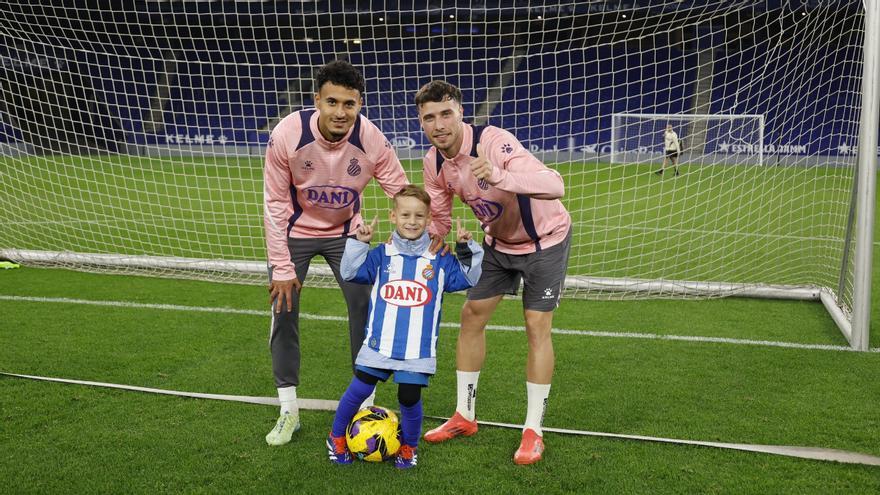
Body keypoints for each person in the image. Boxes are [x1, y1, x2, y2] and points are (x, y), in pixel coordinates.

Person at [413, 80, 572, 465]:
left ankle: (533, 430)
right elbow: (440, 219)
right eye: (429, 118)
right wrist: (420, 244)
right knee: (471, 316)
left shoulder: (493, 142)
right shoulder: (434, 162)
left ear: (461, 113)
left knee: (536, 324)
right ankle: (464, 416)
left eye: (446, 114)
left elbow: (555, 184)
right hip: (498, 245)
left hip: (545, 241)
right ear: (421, 123)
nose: (439, 125)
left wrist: (501, 177)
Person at [263, 60, 409, 446]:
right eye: (332, 102)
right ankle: (288, 410)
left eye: (349, 103)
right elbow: (275, 203)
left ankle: (366, 407)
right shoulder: (288, 134)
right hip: (294, 233)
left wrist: (418, 241)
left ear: (359, 104)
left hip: (346, 234)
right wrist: (281, 266)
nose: (340, 112)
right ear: (317, 101)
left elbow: (401, 191)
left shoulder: (372, 139)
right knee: (283, 310)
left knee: (366, 309)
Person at [326, 185, 483, 469]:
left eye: (419, 216)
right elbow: (349, 272)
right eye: (405, 215)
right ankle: (336, 437)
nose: (412, 221)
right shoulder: (381, 255)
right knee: (359, 389)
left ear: (429, 218)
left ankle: (409, 447)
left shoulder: (440, 258)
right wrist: (360, 243)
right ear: (393, 216)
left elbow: (468, 278)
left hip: (416, 348)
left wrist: (464, 248)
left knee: (409, 397)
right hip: (380, 343)